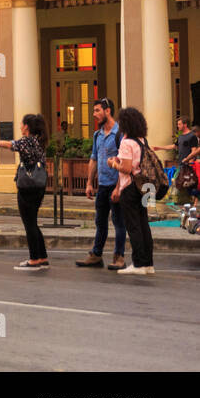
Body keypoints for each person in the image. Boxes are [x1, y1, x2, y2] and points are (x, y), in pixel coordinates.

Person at [0, 113, 49, 271]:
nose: (20, 127)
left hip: (27, 186)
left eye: (22, 124)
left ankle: (34, 259)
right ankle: (42, 256)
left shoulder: (26, 141)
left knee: (29, 223)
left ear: (27, 127)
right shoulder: (39, 141)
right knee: (33, 221)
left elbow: (11, 144)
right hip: (39, 185)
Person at [78, 97, 126, 270]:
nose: (94, 114)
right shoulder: (97, 134)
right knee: (100, 222)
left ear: (108, 111)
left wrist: (119, 187)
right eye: (94, 110)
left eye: (97, 110)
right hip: (102, 186)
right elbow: (94, 159)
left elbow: (124, 161)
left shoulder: (120, 133)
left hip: (117, 185)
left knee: (119, 222)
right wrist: (89, 183)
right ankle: (96, 255)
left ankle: (119, 256)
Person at [109, 106, 155, 276]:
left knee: (133, 226)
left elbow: (126, 168)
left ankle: (138, 264)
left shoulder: (126, 142)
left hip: (130, 188)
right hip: (143, 187)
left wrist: (113, 163)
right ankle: (148, 263)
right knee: (144, 225)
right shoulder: (142, 141)